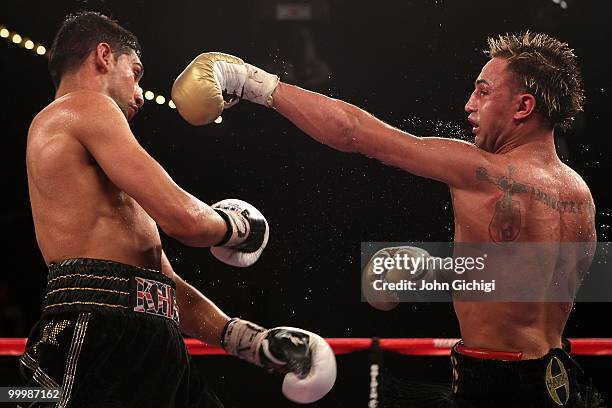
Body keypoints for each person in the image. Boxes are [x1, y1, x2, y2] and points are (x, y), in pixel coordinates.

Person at [172, 32, 605, 406]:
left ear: (523, 106)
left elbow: (355, 133)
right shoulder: (579, 195)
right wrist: (436, 270)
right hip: (559, 380)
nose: (470, 104)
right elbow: (522, 283)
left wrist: (253, 82)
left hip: (496, 384)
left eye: (485, 91)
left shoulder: (484, 172)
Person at [22, 11, 336, 407]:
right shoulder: (83, 106)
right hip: (90, 331)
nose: (139, 94)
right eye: (134, 73)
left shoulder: (104, 166)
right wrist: (239, 227)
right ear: (103, 56)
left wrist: (252, 341)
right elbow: (183, 220)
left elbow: (162, 288)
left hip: (143, 335)